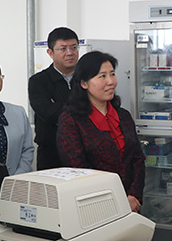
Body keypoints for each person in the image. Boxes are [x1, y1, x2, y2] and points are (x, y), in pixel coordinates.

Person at [56, 51, 145, 212]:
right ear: (84, 83)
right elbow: (77, 168)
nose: (110, 81)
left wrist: (134, 196)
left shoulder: (123, 115)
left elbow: (138, 159)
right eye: (102, 76)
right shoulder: (71, 120)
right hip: (95, 204)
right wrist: (115, 201)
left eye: (112, 74)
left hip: (131, 203)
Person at [28, 27, 79, 169]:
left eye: (74, 47)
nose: (70, 53)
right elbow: (48, 112)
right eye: (63, 48)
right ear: (50, 53)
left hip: (85, 149)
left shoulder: (87, 78)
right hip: (51, 153)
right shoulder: (39, 81)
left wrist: (58, 105)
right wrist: (83, 107)